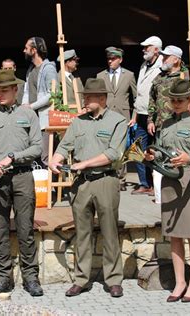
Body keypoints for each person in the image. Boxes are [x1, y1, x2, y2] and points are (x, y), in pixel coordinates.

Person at [49, 78, 127, 298]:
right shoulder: (78, 121)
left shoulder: (117, 121)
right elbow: (65, 145)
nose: (84, 100)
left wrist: (83, 163)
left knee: (110, 232)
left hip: (106, 181)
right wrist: (56, 158)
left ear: (102, 98)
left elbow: (114, 153)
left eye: (88, 97)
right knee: (82, 233)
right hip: (81, 184)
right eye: (84, 96)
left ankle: (113, 280)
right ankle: (81, 280)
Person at [0, 69, 43, 297]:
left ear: (15, 90)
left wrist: (13, 156)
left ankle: (31, 278)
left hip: (22, 176)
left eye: (4, 90)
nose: (0, 94)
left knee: (25, 230)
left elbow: (37, 147)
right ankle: (4, 278)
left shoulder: (29, 115)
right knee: (0, 231)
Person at [144, 79, 190, 303]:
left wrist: (188, 157)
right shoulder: (166, 124)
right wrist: (152, 157)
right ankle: (180, 281)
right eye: (173, 100)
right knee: (174, 235)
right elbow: (161, 153)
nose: (176, 103)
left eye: (180, 100)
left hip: (189, 181)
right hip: (169, 180)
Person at [96, 46, 137, 191]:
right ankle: (106, 176)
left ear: (120, 59)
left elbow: (136, 97)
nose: (110, 61)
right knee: (105, 145)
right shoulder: (101, 75)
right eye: (108, 59)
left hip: (123, 115)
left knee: (121, 147)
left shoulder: (129, 75)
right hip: (105, 115)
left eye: (113, 59)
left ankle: (121, 179)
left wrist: (134, 116)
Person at [147, 45, 183, 203]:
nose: (163, 59)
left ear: (176, 59)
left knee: (177, 160)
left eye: (166, 57)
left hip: (178, 127)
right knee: (159, 160)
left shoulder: (184, 77)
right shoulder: (159, 77)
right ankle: (160, 197)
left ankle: (178, 195)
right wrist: (150, 119)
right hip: (161, 126)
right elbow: (152, 99)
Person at [130, 36, 163, 196]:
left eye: (147, 47)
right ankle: (144, 183)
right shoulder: (144, 65)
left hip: (155, 116)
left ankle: (156, 185)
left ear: (156, 49)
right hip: (141, 114)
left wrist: (153, 117)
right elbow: (140, 93)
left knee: (155, 150)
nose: (144, 50)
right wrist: (134, 116)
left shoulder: (162, 65)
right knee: (137, 150)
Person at [21, 36, 57, 167]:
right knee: (33, 155)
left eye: (26, 48)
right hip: (31, 120)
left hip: (44, 120)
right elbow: (26, 91)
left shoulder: (48, 68)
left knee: (45, 156)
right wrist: (24, 106)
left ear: (34, 50)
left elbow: (52, 94)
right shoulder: (30, 70)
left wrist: (32, 106)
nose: (24, 51)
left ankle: (50, 186)